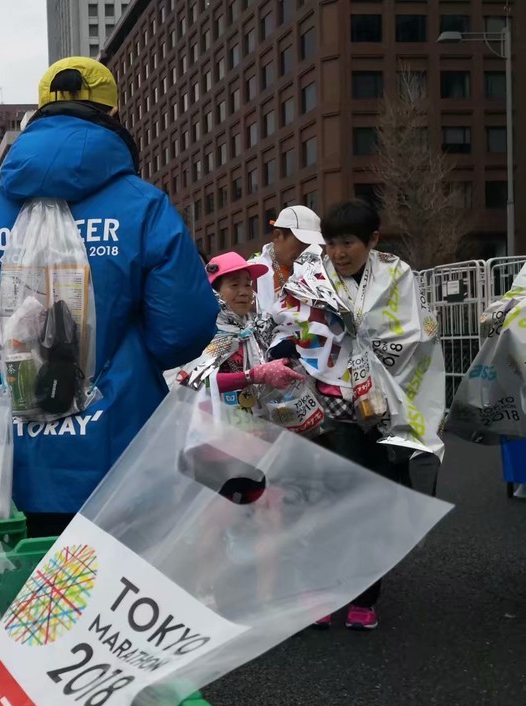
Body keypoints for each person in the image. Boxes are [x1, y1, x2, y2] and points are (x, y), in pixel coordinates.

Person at [0, 56, 218, 538]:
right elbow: (185, 329)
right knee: (112, 606)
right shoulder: (143, 206)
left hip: (13, 467)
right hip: (119, 456)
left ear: (39, 115)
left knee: (23, 603)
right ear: (112, 115)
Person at [273, 200, 444, 630]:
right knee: (329, 498)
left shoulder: (398, 277)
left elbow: (417, 335)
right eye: (331, 243)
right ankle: (325, 590)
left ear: (373, 240)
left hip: (386, 405)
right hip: (331, 405)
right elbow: (293, 326)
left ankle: (366, 594)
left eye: (348, 242)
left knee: (373, 499)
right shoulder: (312, 277)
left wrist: (362, 332)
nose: (339, 252)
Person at [177, 252, 303, 410]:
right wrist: (251, 376)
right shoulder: (204, 333)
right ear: (214, 292)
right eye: (234, 285)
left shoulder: (257, 328)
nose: (244, 292)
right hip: (216, 426)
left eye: (248, 284)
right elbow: (195, 383)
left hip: (260, 426)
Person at [251, 205, 326, 314]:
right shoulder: (252, 273)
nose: (306, 250)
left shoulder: (319, 272)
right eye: (302, 243)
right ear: (277, 236)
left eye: (311, 245)